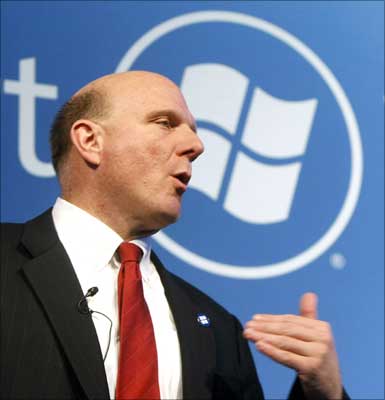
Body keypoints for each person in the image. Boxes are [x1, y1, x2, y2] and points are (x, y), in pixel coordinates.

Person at [0, 71, 348, 399]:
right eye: (165, 123)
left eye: (194, 130)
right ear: (90, 140)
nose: (196, 145)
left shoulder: (218, 330)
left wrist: (324, 393)